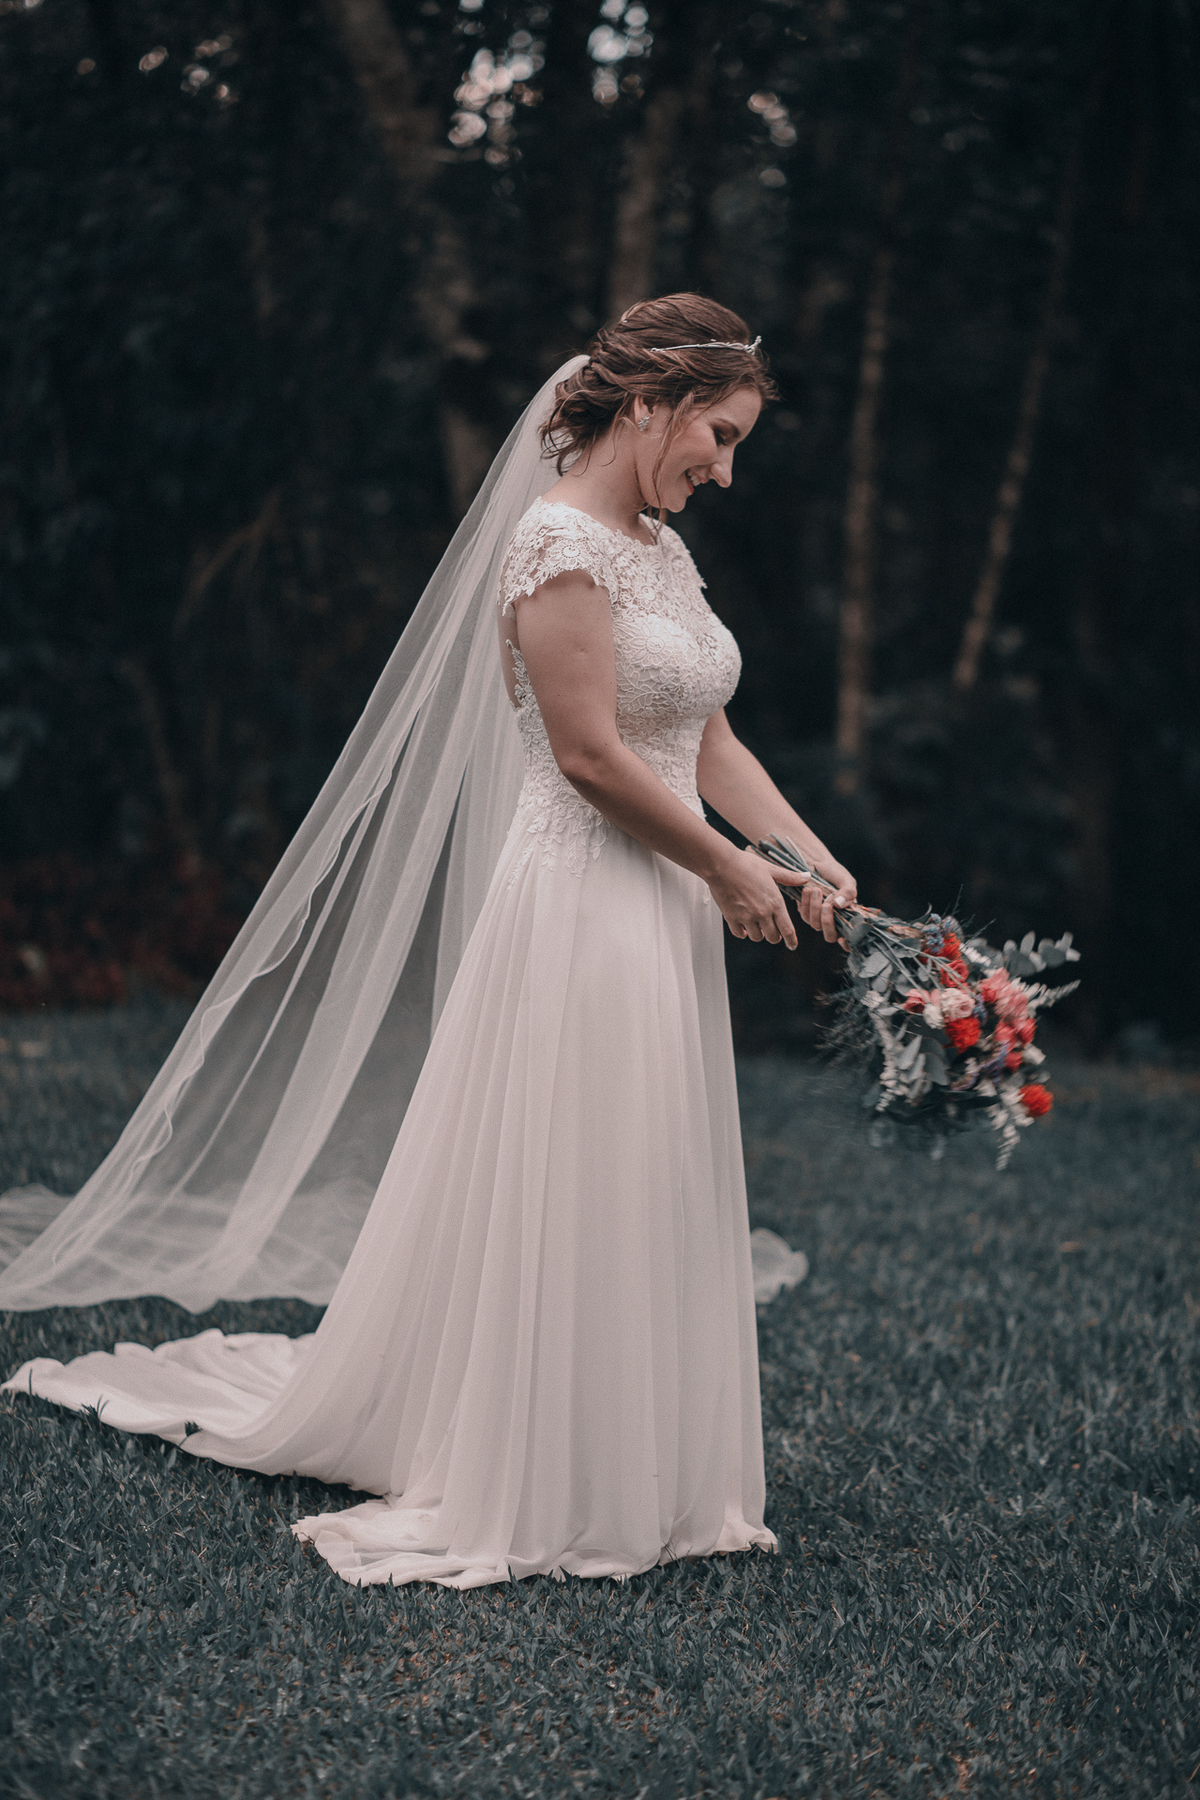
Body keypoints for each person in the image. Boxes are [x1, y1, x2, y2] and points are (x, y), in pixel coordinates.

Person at [3, 296, 856, 1589]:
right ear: (651, 404)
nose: (725, 468)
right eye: (719, 435)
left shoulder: (658, 546)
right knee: (581, 1158)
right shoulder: (557, 543)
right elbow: (587, 756)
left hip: (662, 899)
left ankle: (640, 1453)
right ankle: (542, 1463)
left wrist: (802, 852)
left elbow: (703, 733)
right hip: (583, 899)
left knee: (643, 1162)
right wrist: (730, 867)